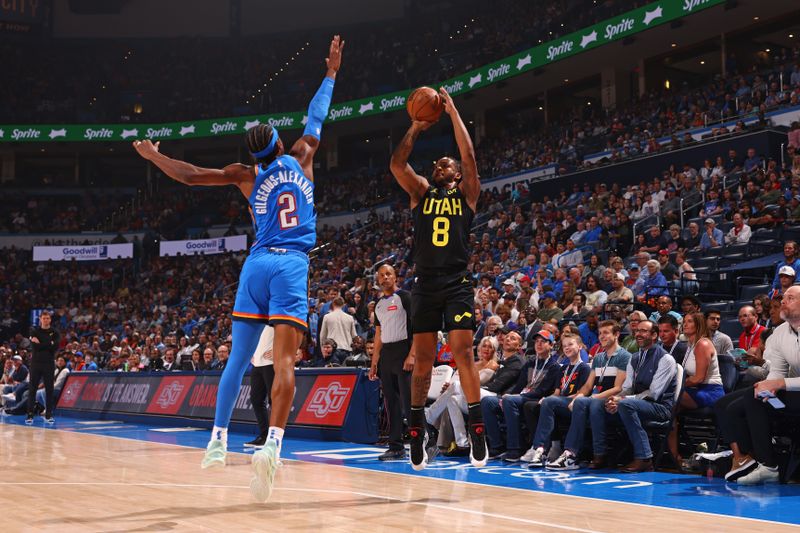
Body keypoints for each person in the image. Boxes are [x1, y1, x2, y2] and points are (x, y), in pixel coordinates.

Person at [132, 35, 343, 502]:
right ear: (281, 144)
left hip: (256, 265)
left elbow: (189, 175)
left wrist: (153, 157)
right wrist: (330, 72)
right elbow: (317, 114)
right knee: (285, 361)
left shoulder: (245, 175)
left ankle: (217, 439)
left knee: (237, 360)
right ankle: (273, 444)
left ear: (254, 156)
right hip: (291, 265)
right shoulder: (303, 155)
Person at [390, 86, 487, 469]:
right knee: (424, 362)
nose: (439, 167)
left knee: (464, 353)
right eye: (437, 165)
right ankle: (416, 430)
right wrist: (414, 128)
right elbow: (398, 165)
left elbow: (470, 154)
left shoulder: (468, 192)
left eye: (446, 165)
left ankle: (477, 428)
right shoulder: (422, 192)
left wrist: (453, 113)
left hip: (457, 281)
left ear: (458, 173)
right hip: (425, 283)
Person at [714, 286, 800, 484]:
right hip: (790, 396)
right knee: (748, 398)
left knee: (754, 399)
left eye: (791, 298)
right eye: (784, 298)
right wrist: (767, 385)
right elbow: (776, 372)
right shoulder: (779, 333)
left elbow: (780, 379)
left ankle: (766, 463)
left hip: (795, 392)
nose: (784, 301)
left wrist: (779, 383)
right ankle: (752, 461)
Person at [543, 320, 631, 470]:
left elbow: (618, 388)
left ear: (616, 334)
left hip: (611, 401)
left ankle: (572, 454)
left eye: (606, 333)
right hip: (593, 400)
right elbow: (588, 385)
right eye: (600, 333)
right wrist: (578, 397)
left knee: (584, 403)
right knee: (553, 401)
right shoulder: (598, 358)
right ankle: (548, 450)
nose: (601, 336)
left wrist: (590, 398)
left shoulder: (625, 356)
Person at [595, 320, 677, 472]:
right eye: (637, 331)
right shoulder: (634, 357)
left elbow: (653, 393)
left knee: (626, 404)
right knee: (597, 404)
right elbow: (627, 388)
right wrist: (615, 399)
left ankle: (644, 458)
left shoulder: (666, 359)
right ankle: (601, 454)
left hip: (660, 407)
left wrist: (623, 400)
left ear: (654, 335)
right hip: (636, 404)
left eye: (643, 331)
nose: (638, 334)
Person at [522, 333, 591, 466]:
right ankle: (543, 448)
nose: (567, 348)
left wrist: (554, 400)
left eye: (570, 344)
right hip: (561, 402)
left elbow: (581, 393)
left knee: (550, 402)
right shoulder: (562, 368)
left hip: (574, 403)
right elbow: (557, 392)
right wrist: (547, 398)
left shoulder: (584, 368)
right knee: (538, 404)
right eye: (564, 346)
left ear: (580, 346)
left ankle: (541, 449)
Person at [368, 264, 414, 461]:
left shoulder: (406, 297)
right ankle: (396, 446)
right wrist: (374, 361)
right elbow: (378, 334)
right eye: (381, 275)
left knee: (410, 402)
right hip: (387, 355)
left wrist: (412, 355)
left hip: (405, 350)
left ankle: (423, 440)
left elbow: (418, 327)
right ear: (377, 280)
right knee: (391, 404)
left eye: (388, 274)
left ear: (395, 277)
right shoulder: (378, 304)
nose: (385, 277)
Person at [668, 312, 724, 470]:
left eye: (689, 322)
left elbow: (699, 378)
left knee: (669, 398)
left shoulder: (703, 344)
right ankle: (674, 456)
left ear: (698, 324)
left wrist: (676, 385)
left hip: (710, 391)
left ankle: (674, 456)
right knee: (670, 410)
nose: (685, 324)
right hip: (694, 390)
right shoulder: (690, 344)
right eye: (684, 321)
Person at [26, 311, 60, 424]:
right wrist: (48, 344)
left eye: (48, 318)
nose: (46, 320)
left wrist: (41, 344)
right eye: (44, 318)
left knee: (49, 390)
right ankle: (30, 414)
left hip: (49, 363)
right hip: (36, 363)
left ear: (50, 320)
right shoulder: (34, 331)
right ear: (40, 319)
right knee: (32, 389)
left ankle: (48, 414)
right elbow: (35, 347)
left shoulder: (55, 332)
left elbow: (55, 347)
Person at [246, 326, 276, 449]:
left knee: (274, 400)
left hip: (271, 363)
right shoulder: (257, 318)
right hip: (257, 363)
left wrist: (278, 350)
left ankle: (274, 438)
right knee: (256, 400)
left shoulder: (276, 315)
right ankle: (264, 435)